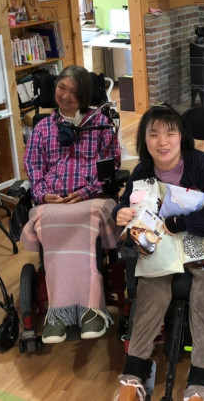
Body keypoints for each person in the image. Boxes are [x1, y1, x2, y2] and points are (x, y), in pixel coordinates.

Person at [112, 104, 204, 401]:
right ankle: (134, 374)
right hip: (161, 247)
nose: (162, 141)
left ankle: (200, 383)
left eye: (170, 133)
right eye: (153, 134)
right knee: (151, 292)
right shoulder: (142, 171)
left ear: (182, 137)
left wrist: (181, 222)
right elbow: (126, 203)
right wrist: (120, 212)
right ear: (144, 140)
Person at [21, 65, 121, 343]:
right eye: (61, 88)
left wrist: (87, 191)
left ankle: (92, 310)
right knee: (50, 220)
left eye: (73, 92)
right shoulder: (42, 128)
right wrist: (43, 195)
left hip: (91, 200)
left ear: (84, 96)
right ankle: (58, 313)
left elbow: (111, 168)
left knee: (85, 220)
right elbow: (34, 168)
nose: (65, 96)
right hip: (53, 202)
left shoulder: (101, 125)